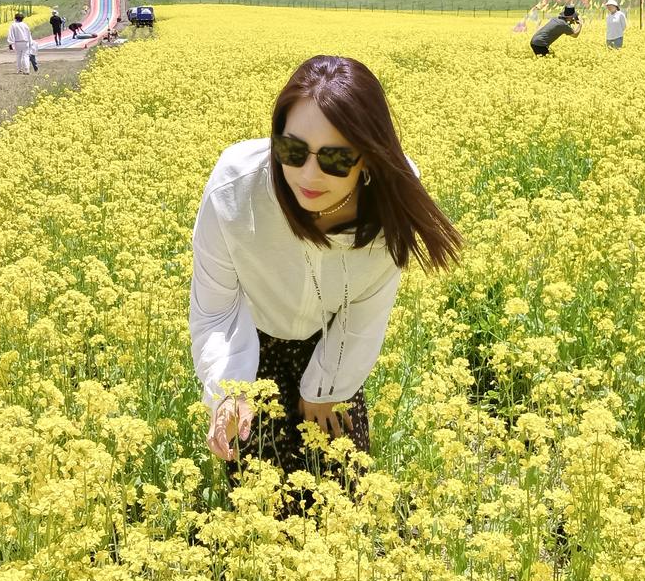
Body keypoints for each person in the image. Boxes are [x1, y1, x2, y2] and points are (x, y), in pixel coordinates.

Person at [191, 55, 462, 491]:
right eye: (291, 151)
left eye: (335, 159)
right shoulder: (235, 189)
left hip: (335, 341)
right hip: (250, 340)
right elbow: (217, 308)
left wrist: (328, 386)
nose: (308, 175)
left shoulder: (392, 203)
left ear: (368, 159)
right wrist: (229, 388)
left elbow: (365, 314)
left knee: (345, 494)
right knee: (260, 503)